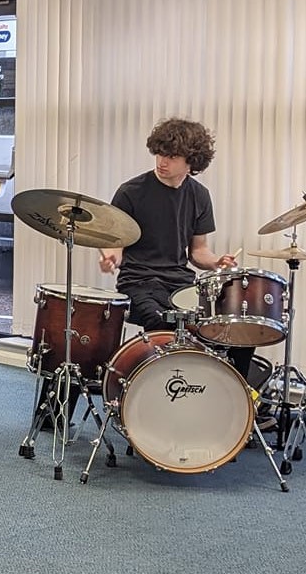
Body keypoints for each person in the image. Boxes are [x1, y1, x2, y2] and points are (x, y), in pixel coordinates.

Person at [97, 118, 257, 408]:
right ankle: (164, 405)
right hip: (138, 283)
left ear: (191, 160)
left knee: (233, 327)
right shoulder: (130, 192)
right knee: (165, 324)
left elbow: (198, 251)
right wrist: (111, 257)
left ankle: (234, 406)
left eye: (171, 156)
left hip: (179, 283)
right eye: (159, 153)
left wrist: (216, 262)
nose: (162, 161)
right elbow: (116, 246)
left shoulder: (199, 196)